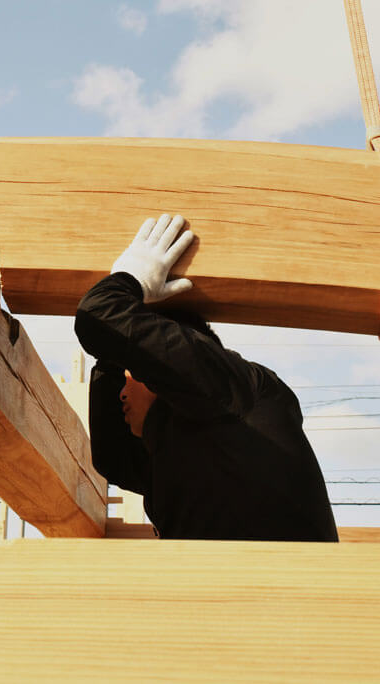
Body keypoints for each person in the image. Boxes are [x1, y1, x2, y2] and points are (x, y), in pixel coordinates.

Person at [74, 214, 338, 541]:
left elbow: (99, 317)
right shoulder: (182, 454)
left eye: (131, 375)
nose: (122, 393)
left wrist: (130, 281)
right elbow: (113, 459)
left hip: (282, 573)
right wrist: (115, 354)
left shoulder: (235, 388)